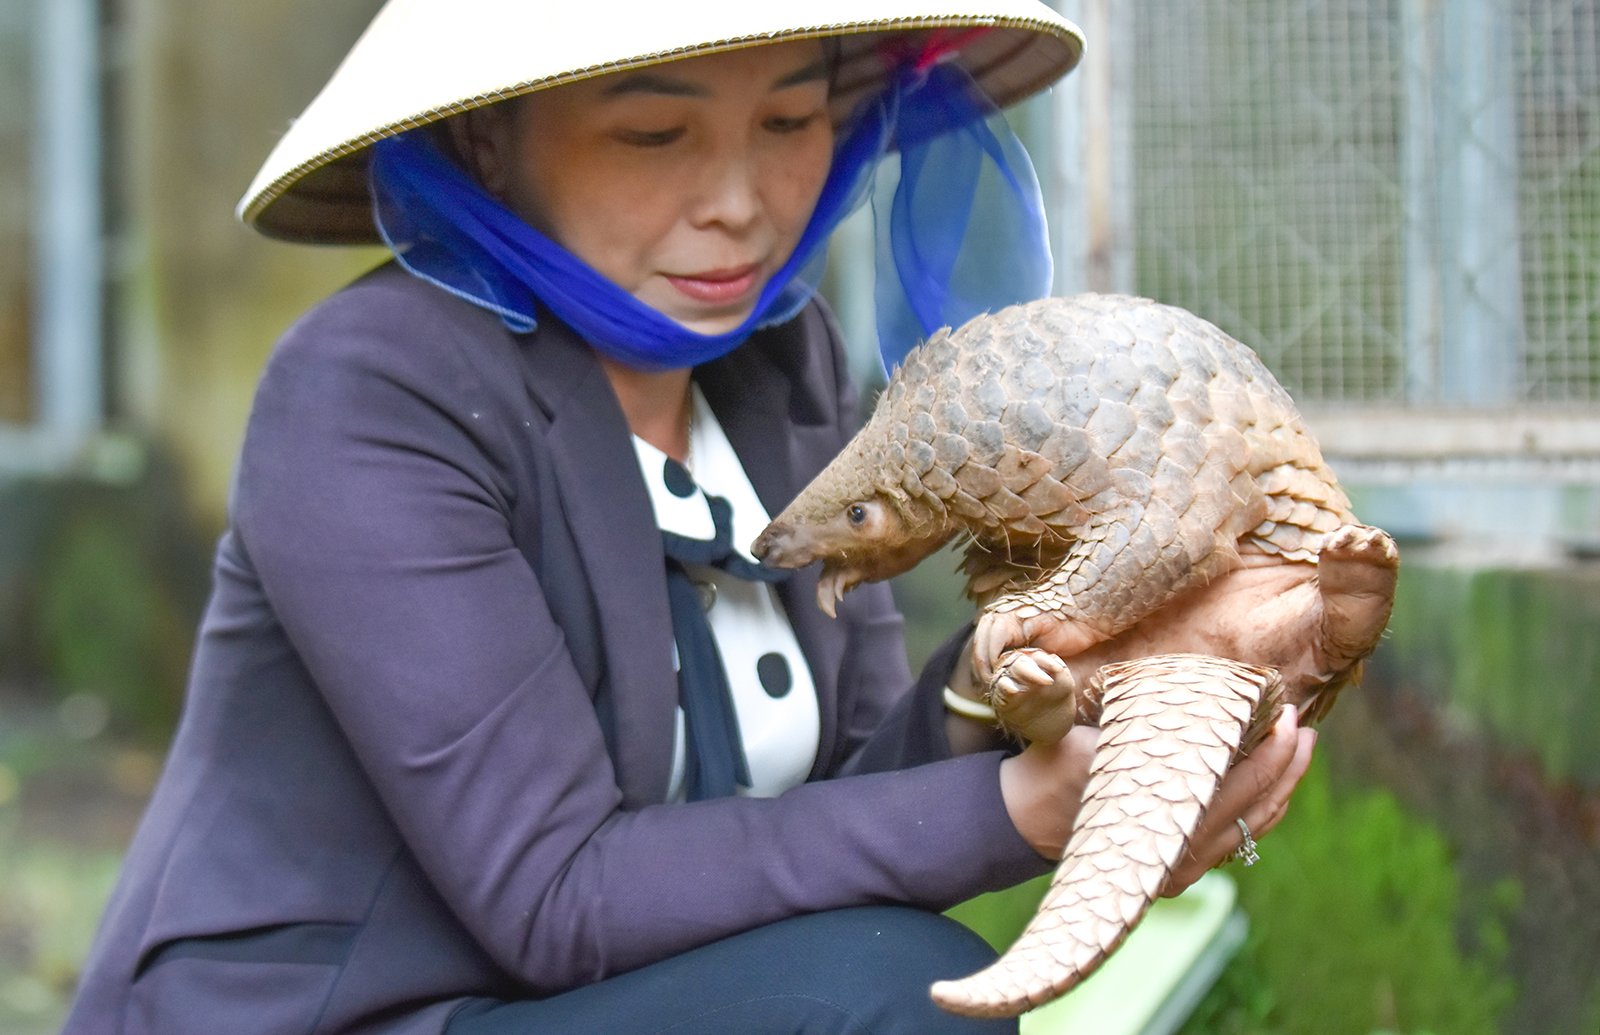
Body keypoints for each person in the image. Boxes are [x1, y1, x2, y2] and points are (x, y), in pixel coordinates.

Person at [64, 3, 1315, 1033]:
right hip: (360, 1016)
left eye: (791, 118)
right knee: (878, 989)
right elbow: (554, 894)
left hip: (610, 1000)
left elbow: (839, 793)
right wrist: (1017, 812)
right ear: (489, 144)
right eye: (655, 132)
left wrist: (1003, 690)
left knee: (879, 964)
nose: (741, 201)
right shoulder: (375, 389)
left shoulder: (779, 367)